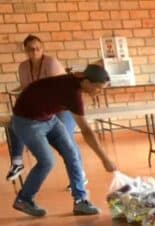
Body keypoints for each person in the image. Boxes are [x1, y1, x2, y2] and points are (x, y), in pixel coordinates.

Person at [9, 64, 117, 217]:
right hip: (27, 121)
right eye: (98, 88)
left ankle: (80, 201)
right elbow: (87, 132)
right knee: (47, 162)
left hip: (48, 118)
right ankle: (24, 199)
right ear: (86, 82)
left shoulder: (78, 80)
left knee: (72, 153)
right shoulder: (73, 94)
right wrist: (105, 159)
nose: (99, 92)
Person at [6, 35, 79, 182]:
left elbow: (57, 90)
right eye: (31, 49)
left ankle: (79, 176)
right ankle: (17, 163)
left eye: (38, 48)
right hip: (41, 108)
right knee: (15, 124)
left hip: (61, 106)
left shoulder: (51, 63)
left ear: (42, 49)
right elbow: (28, 89)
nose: (35, 52)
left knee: (67, 142)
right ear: (25, 51)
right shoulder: (23, 67)